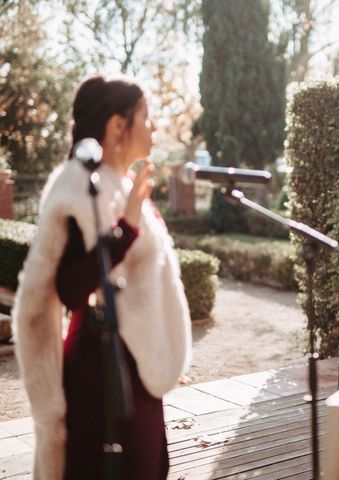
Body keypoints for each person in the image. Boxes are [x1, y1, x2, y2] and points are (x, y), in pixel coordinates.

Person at [12, 76, 192, 479]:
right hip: (100, 375)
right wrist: (125, 227)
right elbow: (70, 288)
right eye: (145, 117)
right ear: (116, 125)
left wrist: (161, 342)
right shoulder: (76, 186)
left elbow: (147, 284)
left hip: (137, 374)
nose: (154, 128)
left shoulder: (124, 185)